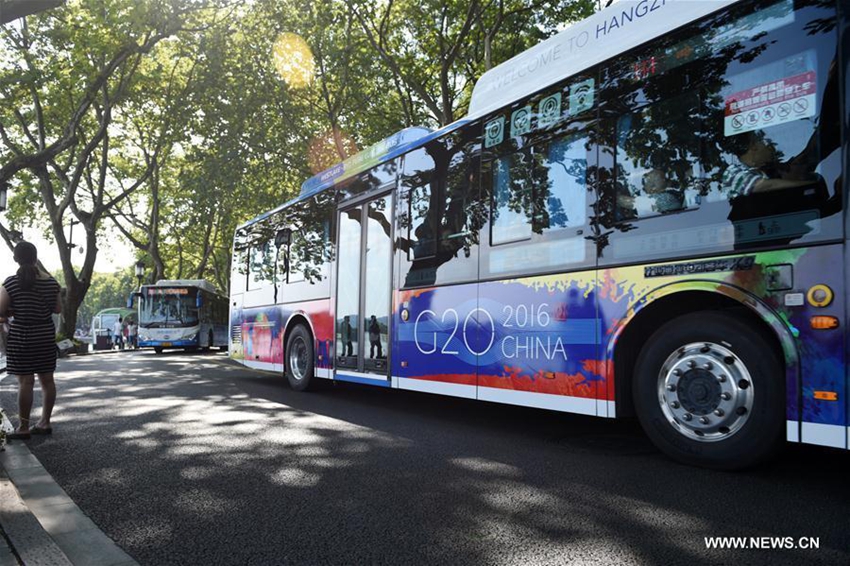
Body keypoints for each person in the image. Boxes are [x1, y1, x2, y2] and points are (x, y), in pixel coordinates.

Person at [0, 242, 61, 439]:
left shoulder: (10, 283)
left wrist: (11, 311)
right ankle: (45, 422)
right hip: (44, 335)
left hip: (21, 335)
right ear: (35, 258)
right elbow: (58, 309)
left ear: (16, 259)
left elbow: (1, 310)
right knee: (47, 381)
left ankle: (24, 428)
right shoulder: (52, 283)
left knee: (25, 382)